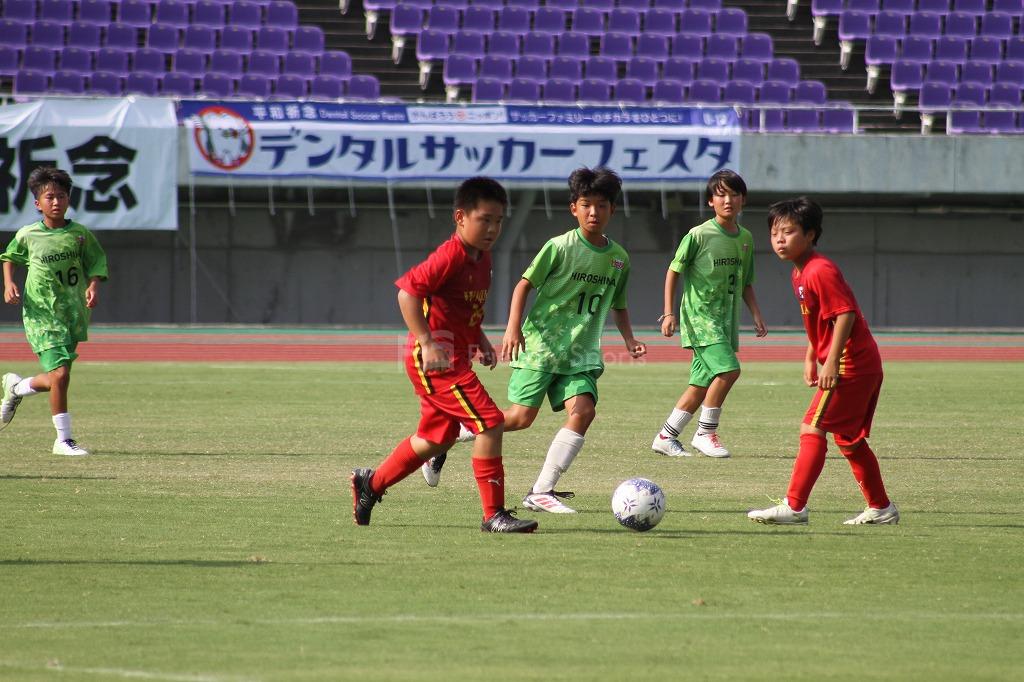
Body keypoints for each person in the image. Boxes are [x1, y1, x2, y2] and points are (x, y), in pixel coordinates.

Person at [349, 176, 537, 533]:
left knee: (437, 439)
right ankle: (493, 514)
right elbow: (407, 294)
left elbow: (462, 308)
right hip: (437, 362)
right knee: (490, 422)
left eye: (499, 221)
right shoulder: (450, 256)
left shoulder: (481, 257)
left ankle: (370, 484)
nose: (492, 228)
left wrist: (480, 339)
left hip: (456, 358)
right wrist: (428, 341)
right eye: (484, 219)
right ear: (460, 217)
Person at [500, 166, 647, 514]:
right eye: (586, 205)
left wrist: (629, 340)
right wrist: (512, 327)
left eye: (601, 205)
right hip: (542, 347)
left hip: (580, 352)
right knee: (520, 418)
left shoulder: (619, 259)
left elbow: (618, 304)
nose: (594, 212)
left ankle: (541, 491)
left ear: (612, 210)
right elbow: (523, 285)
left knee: (584, 411)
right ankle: (453, 433)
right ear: (573, 209)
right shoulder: (559, 247)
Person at [747, 197, 898, 525]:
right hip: (856, 362)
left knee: (812, 426)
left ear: (811, 234)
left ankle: (794, 506)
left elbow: (845, 315)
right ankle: (881, 507)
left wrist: (830, 362)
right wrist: (811, 357)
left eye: (789, 232)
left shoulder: (819, 270)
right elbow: (821, 321)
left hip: (851, 363)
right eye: (774, 233)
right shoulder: (800, 272)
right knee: (848, 439)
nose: (780, 240)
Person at [651, 169, 767, 459]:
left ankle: (666, 436)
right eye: (721, 194)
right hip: (700, 318)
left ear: (743, 200)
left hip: (725, 320)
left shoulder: (746, 238)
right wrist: (668, 313)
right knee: (729, 370)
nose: (728, 200)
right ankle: (705, 433)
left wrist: (756, 313)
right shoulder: (698, 235)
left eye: (734, 194)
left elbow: (745, 281)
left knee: (700, 385)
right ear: (710, 201)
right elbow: (673, 271)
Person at [1, 167, 108, 456]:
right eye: (50, 197)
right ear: (38, 203)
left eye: (61, 196)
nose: (56, 202)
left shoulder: (80, 234)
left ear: (69, 199)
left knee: (58, 379)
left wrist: (93, 285)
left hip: (72, 313)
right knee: (60, 376)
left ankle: (17, 388)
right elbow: (9, 257)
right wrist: (9, 283)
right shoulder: (29, 234)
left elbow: (96, 262)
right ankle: (63, 440)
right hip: (41, 314)